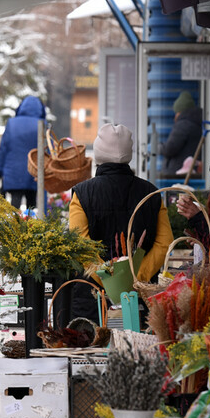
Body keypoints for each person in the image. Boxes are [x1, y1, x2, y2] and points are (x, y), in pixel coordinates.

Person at [68, 123, 174, 321]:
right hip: (141, 296)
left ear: (99, 154)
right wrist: (137, 277)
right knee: (139, 339)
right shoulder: (152, 193)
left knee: (92, 338)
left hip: (93, 296)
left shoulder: (82, 194)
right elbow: (165, 243)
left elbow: (80, 245)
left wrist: (108, 279)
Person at [0, 95, 46, 209]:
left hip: (14, 172)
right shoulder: (42, 124)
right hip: (34, 171)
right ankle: (30, 219)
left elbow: (3, 148)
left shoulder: (12, 123)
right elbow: (47, 150)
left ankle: (14, 220)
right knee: (31, 205)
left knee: (15, 204)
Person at [160, 90, 203, 177]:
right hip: (190, 172)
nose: (175, 117)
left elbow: (170, 149)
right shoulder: (196, 123)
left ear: (180, 112)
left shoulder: (183, 124)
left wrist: (159, 147)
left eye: (176, 113)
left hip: (178, 173)